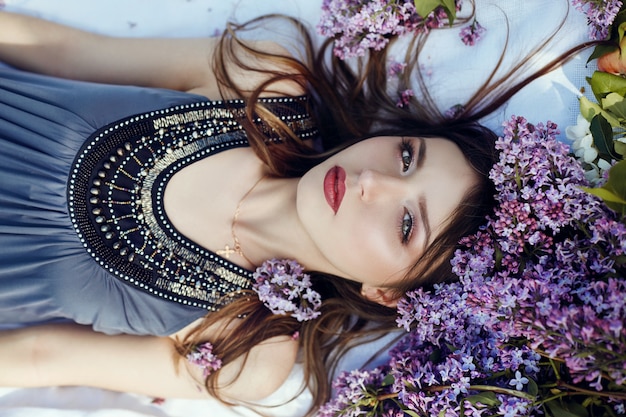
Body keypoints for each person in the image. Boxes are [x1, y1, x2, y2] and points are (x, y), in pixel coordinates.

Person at [0, 5, 588, 414]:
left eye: (407, 225)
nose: (372, 183)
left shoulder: (248, 350)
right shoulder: (267, 86)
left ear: (389, 291)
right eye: (407, 156)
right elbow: (64, 50)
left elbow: (38, 356)